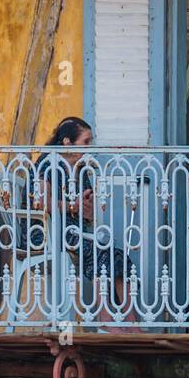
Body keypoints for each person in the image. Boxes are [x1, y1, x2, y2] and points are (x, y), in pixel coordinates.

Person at [29, 116, 135, 320]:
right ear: (67, 142)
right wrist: (72, 206)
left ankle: (130, 322)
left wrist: (86, 209)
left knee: (119, 256)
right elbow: (41, 202)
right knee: (101, 255)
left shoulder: (80, 169)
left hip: (71, 231)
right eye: (85, 141)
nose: (89, 147)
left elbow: (85, 209)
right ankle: (105, 321)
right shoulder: (48, 162)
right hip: (46, 232)